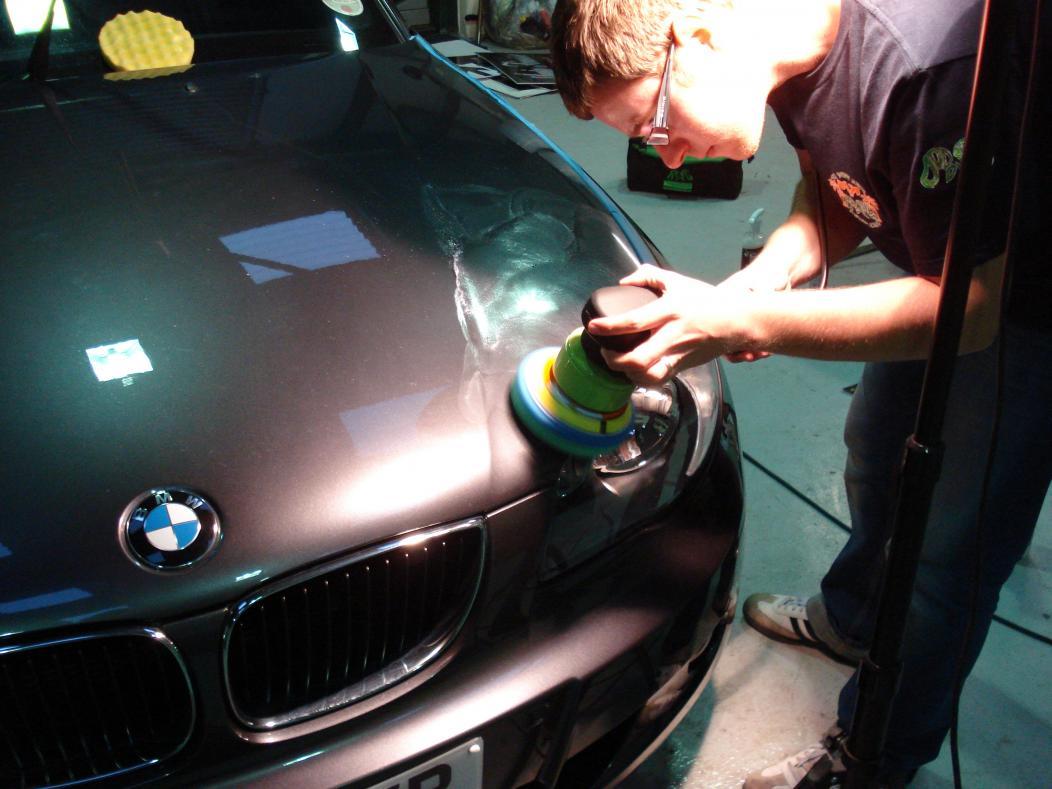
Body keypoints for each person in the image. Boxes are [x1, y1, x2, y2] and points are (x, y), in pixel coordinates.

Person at [549, 0, 1049, 786]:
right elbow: (833, 193)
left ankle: (876, 759)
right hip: (940, 257)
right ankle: (854, 619)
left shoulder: (924, 71)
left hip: (1023, 303)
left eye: (655, 123)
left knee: (946, 553)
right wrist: (754, 287)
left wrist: (750, 322)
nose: (668, 159)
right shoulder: (780, 53)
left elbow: (972, 309)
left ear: (697, 37)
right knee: (876, 448)